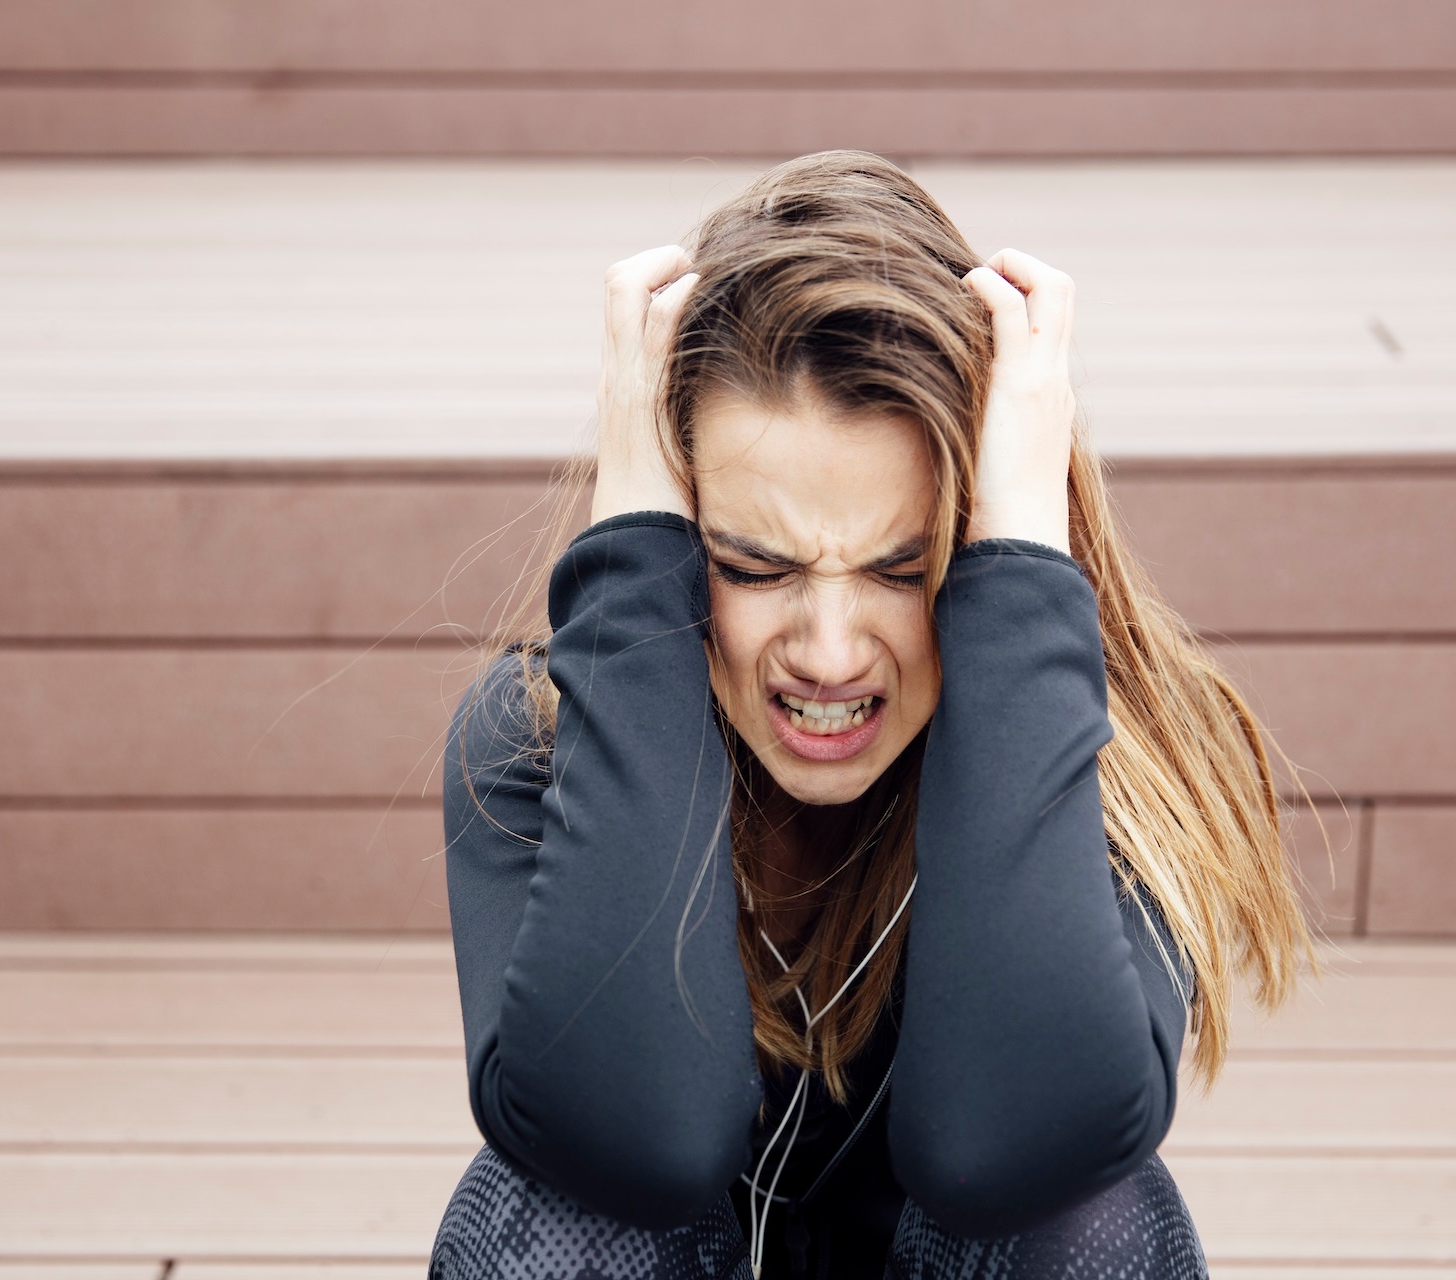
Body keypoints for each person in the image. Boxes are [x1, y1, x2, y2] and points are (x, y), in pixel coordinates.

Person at [428, 151, 1315, 1280]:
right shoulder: (537, 741)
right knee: (549, 1219)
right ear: (672, 528)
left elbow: (1016, 1149)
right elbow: (630, 1139)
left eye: (905, 568)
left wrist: (1024, 561)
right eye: (753, 565)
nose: (832, 650)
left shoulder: (1124, 755)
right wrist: (632, 571)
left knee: (1092, 1223)